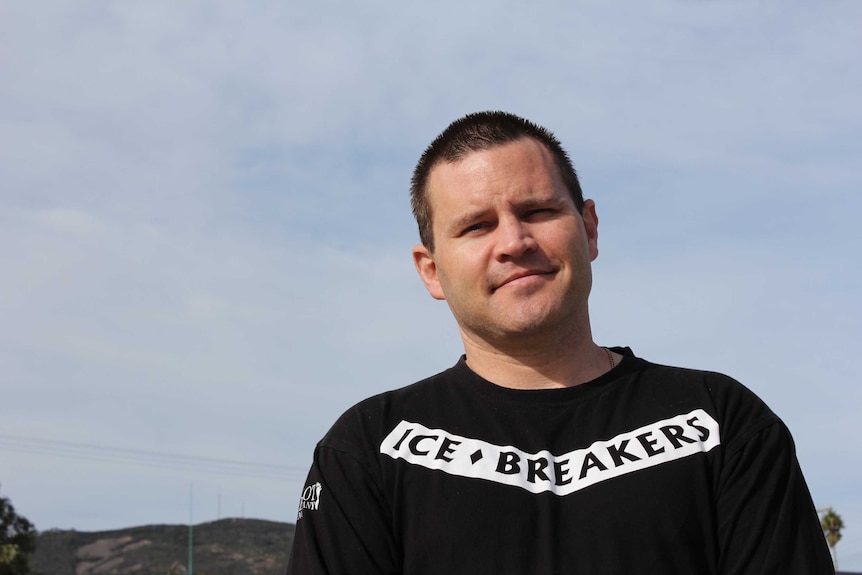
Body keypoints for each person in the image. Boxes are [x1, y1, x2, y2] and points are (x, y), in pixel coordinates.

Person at [286, 111, 833, 574]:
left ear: (589, 227)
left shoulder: (720, 425)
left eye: (538, 211)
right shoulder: (369, 450)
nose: (514, 242)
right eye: (476, 226)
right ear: (431, 271)